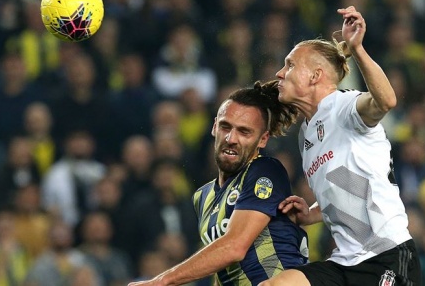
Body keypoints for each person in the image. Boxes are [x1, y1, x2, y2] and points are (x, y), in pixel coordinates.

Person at [259, 6, 422, 286]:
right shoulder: (307, 135)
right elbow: (348, 183)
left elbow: (386, 102)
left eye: (290, 64)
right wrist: (312, 212)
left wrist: (357, 49)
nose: (279, 72)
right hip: (343, 262)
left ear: (314, 75)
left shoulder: (343, 105)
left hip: (386, 256)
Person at [128, 80, 308, 285]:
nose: (231, 138)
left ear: (263, 140)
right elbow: (223, 268)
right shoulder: (202, 197)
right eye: (225, 127)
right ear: (214, 127)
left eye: (244, 131)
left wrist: (161, 281)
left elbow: (234, 247)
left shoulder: (265, 171)